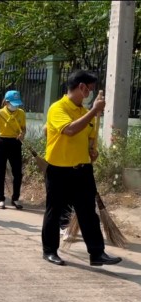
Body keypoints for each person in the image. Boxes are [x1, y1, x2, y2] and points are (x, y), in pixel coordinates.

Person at [41, 70, 121, 267]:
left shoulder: (85, 113)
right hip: (59, 169)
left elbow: (86, 138)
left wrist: (91, 152)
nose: (91, 93)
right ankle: (50, 250)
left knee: (88, 212)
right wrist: (94, 111)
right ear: (81, 87)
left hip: (82, 169)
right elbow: (69, 130)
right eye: (90, 89)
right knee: (55, 211)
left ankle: (97, 253)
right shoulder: (57, 108)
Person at [0, 90, 26, 210]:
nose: (15, 105)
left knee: (18, 173)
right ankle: (1, 199)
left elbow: (24, 129)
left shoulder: (21, 113)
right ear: (7, 102)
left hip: (15, 143)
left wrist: (22, 134)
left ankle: (15, 198)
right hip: (2, 143)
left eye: (17, 103)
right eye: (13, 103)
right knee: (0, 172)